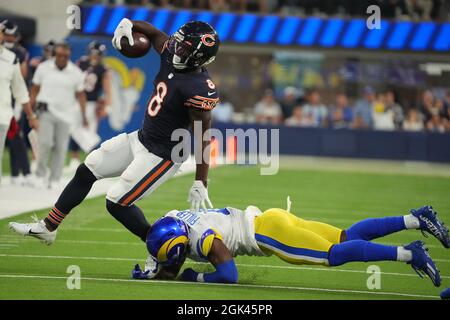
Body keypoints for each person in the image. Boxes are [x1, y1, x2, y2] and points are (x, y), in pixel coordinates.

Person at [10, 19, 221, 247]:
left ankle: (165, 251)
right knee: (88, 169)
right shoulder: (172, 53)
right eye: (178, 43)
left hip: (163, 155)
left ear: (200, 57)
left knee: (117, 201)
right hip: (141, 138)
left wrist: (201, 180)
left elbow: (203, 135)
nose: (175, 48)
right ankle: (48, 227)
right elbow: (151, 31)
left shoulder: (199, 88)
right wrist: (128, 24)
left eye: (184, 48)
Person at [134, 205, 448, 287]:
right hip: (271, 217)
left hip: (267, 235)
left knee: (333, 255)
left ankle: (409, 253)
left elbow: (229, 274)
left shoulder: (203, 238)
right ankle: (415, 219)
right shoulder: (173, 219)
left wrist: (198, 277)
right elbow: (159, 242)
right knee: (344, 236)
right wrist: (151, 270)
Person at [28, 42, 88, 189]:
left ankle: (54, 178)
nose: (62, 58)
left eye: (65, 56)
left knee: (61, 147)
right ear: (55, 54)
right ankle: (40, 175)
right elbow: (35, 89)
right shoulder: (43, 68)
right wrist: (30, 111)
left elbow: (81, 95)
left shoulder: (75, 72)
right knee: (45, 143)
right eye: (59, 55)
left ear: (69, 56)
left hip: (66, 114)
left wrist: (84, 115)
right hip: (45, 111)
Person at [0, 23, 39, 186]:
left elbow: (21, 88)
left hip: (7, 109)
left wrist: (30, 115)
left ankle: (22, 173)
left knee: (16, 138)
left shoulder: (14, 56)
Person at [68, 41, 112, 169]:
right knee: (75, 129)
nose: (97, 56)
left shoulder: (102, 69)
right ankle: (75, 158)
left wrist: (106, 105)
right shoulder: (81, 63)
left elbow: (107, 88)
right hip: (77, 101)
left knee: (90, 130)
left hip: (92, 103)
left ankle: (89, 159)